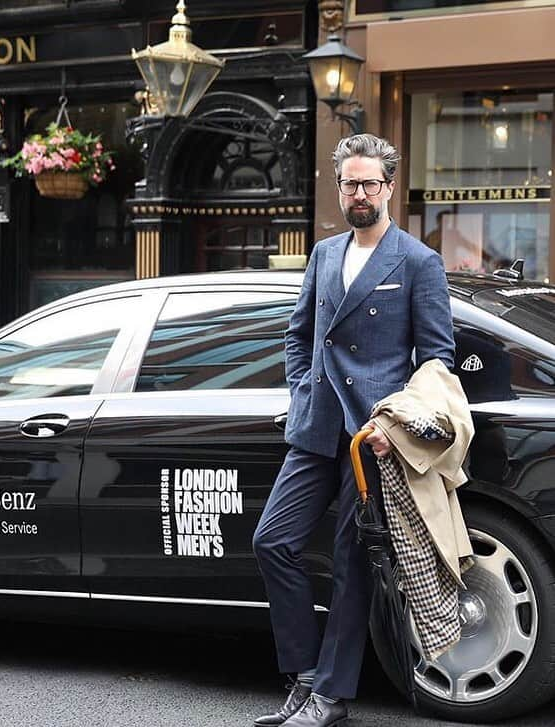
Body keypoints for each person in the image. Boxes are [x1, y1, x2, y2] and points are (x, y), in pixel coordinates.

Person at [252, 133, 455, 727]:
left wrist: (398, 423)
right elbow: (297, 334)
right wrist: (302, 389)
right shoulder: (322, 253)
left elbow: (435, 360)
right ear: (338, 187)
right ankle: (304, 677)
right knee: (273, 541)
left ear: (389, 187)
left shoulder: (418, 261)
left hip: (373, 436)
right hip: (316, 424)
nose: (359, 193)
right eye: (349, 183)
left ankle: (331, 697)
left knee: (351, 564)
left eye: (369, 183)